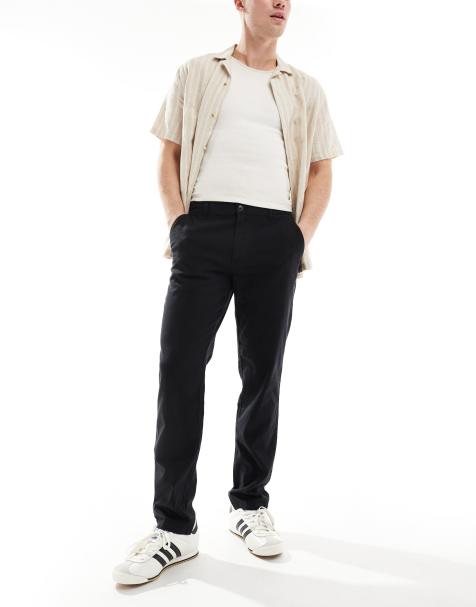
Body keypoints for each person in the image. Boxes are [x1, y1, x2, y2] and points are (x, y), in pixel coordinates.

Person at [113, 0, 343, 585]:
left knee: (262, 372)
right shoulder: (197, 73)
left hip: (274, 234)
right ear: (240, 3)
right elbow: (169, 152)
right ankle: (174, 528)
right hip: (203, 232)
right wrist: (178, 224)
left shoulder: (305, 88)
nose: (281, 3)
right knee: (179, 368)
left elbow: (321, 168)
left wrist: (298, 237)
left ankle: (249, 505)